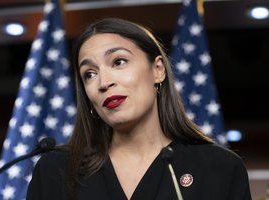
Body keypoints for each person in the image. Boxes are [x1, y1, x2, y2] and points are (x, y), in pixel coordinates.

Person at [26, 18, 252, 200]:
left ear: (158, 70)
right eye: (90, 74)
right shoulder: (56, 170)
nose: (103, 82)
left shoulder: (220, 168)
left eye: (118, 62)